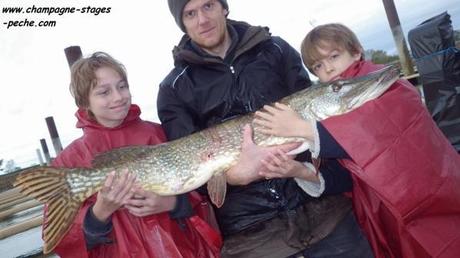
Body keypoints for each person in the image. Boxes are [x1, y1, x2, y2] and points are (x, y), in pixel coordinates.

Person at [158, 1, 374, 257]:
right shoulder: (173, 89)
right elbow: (185, 167)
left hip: (324, 214)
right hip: (253, 236)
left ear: (223, 7)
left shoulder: (275, 49)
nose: (202, 19)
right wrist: (232, 177)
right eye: (190, 14)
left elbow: (321, 119)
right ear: (182, 23)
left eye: (208, 6)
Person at [254, 23, 460, 258]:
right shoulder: (338, 108)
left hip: (433, 210)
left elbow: (374, 138)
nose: (328, 69)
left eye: (334, 56)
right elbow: (348, 177)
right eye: (318, 66)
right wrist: (300, 170)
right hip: (389, 218)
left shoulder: (389, 86)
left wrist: (302, 129)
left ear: (356, 51)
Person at [47, 52, 221, 258]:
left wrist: (171, 203)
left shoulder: (159, 134)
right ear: (84, 101)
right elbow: (60, 240)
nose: (118, 97)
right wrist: (99, 213)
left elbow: (198, 192)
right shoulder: (69, 161)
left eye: (122, 86)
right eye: (104, 92)